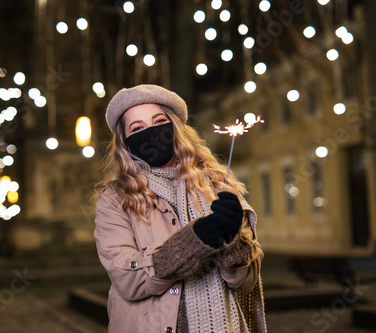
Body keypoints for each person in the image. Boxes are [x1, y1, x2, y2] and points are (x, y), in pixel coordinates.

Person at [94, 84, 266, 333]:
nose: (151, 132)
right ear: (126, 143)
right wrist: (195, 240)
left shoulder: (219, 185)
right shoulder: (115, 200)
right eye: (138, 128)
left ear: (175, 127)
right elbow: (128, 279)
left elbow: (245, 282)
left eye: (158, 121)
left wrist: (234, 243)